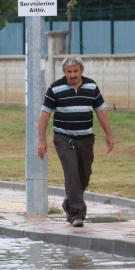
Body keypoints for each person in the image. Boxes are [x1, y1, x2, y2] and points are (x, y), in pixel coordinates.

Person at [37, 56, 114, 228]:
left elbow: (101, 111)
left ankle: (68, 204)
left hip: (86, 138)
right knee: (72, 174)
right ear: (64, 73)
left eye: (76, 71)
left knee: (84, 176)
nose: (73, 75)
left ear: (82, 70)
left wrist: (108, 134)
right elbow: (44, 115)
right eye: (69, 72)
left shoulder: (92, 86)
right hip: (64, 138)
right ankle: (78, 215)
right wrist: (42, 140)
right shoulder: (55, 89)